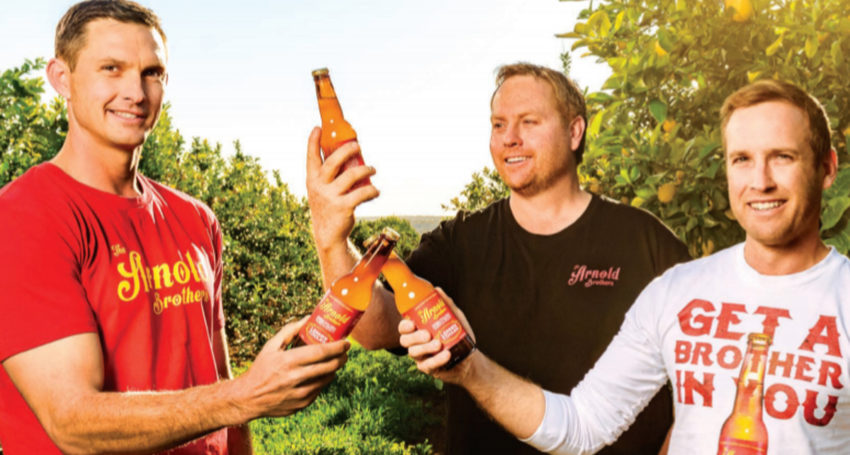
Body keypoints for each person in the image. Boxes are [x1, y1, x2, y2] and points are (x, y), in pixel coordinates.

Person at [401, 79, 848, 454]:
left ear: (827, 169)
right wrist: (468, 368)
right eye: (742, 159)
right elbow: (582, 425)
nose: (760, 180)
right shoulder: (678, 290)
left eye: (783, 157)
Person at [0, 1, 349, 454]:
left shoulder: (195, 219)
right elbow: (71, 422)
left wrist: (241, 405)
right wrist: (247, 396)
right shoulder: (26, 217)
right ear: (61, 78)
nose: (136, 92)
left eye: (152, 73)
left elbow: (220, 385)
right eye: (111, 68)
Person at [306, 62, 690, 454]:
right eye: (498, 124)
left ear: (575, 132)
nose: (510, 139)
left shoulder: (647, 243)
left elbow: (701, 383)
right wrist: (331, 238)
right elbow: (375, 327)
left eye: (528, 122)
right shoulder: (460, 243)